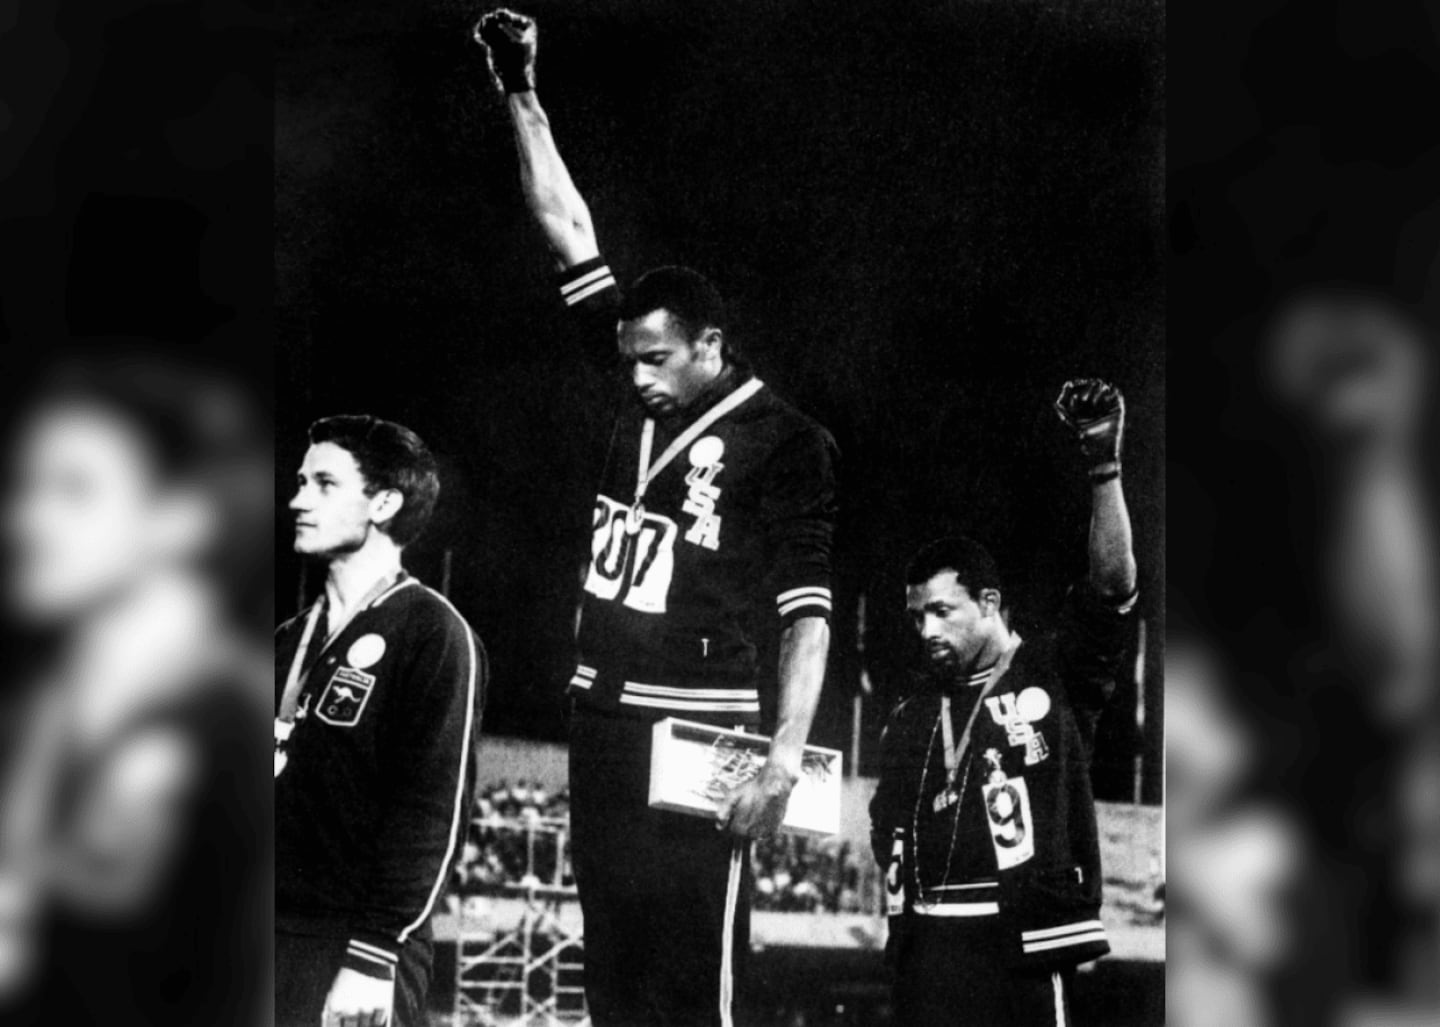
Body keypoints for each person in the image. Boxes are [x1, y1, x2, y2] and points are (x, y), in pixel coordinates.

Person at [474, 10, 838, 1025]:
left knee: (694, 981)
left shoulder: (787, 441)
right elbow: (565, 225)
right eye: (627, 357)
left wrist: (784, 755)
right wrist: (519, 86)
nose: (634, 376)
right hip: (600, 717)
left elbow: (807, 613)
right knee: (615, 975)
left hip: (700, 725)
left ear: (711, 345)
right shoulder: (628, 379)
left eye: (657, 359)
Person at [0, 349, 269, 1026]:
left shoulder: (232, 726)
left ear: (179, 519)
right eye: (25, 486)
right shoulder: (42, 706)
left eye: (75, 490)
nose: (26, 520)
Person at [869, 379, 1139, 1026]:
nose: (926, 630)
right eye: (916, 618)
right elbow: (885, 828)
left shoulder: (1053, 671)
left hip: (1020, 950)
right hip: (927, 949)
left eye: (942, 611)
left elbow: (1112, 589)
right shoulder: (913, 713)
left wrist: (1103, 468)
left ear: (989, 602)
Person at [275, 415, 486, 1027]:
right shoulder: (287, 641)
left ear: (384, 504)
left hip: (356, 951)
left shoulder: (435, 634)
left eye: (324, 484)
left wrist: (372, 954)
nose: (298, 501)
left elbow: (431, 814)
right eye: (301, 482)